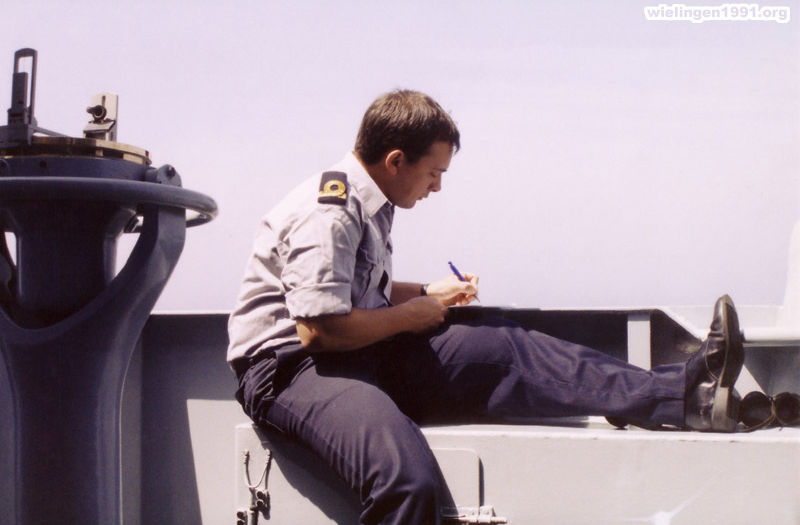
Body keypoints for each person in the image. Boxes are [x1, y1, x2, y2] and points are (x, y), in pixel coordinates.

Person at [228, 89, 745, 525]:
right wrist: (411, 315)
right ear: (395, 161)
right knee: (406, 482)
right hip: (292, 370)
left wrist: (427, 293)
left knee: (505, 346)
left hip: (355, 351)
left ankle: (683, 395)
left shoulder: (373, 202)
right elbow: (318, 330)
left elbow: (354, 291)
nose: (437, 186)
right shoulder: (331, 211)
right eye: (433, 172)